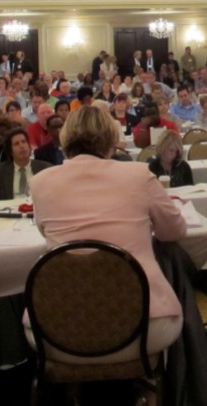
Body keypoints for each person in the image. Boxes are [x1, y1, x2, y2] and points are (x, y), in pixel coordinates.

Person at [29, 106, 186, 358]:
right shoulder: (139, 175)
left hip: (57, 330)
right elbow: (174, 231)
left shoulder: (40, 182)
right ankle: (157, 390)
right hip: (143, 325)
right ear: (111, 138)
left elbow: (43, 231)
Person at [0, 128, 51, 200]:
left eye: (24, 142)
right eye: (16, 144)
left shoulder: (45, 168)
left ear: (29, 146)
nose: (22, 146)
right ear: (10, 151)